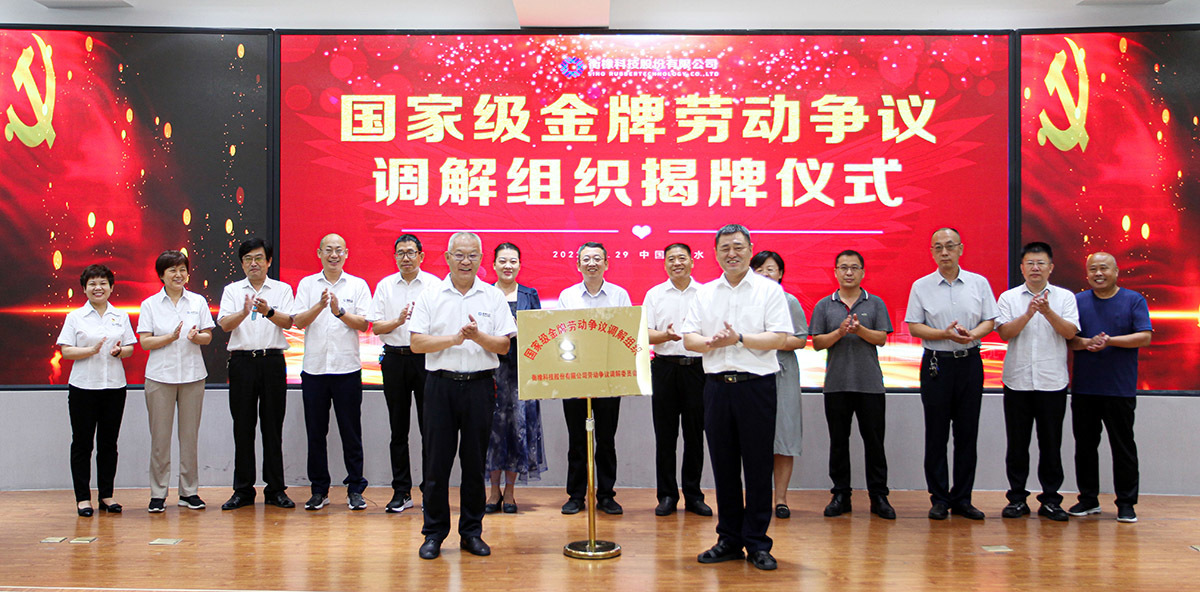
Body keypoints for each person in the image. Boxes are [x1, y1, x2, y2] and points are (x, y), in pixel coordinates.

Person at [682, 224, 792, 571]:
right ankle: (729, 539)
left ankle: (758, 542)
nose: (732, 253)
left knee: (758, 466)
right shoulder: (704, 293)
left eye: (738, 247)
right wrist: (713, 343)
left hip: (756, 387)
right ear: (715, 253)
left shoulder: (768, 290)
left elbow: (779, 337)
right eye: (725, 248)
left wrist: (739, 339)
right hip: (716, 387)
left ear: (750, 249)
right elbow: (689, 339)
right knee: (724, 466)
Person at [410, 232, 517, 560]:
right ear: (447, 257)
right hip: (440, 387)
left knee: (474, 465)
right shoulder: (430, 294)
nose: (466, 261)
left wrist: (478, 336)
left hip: (479, 387)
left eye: (472, 255)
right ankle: (434, 534)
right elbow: (416, 343)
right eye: (459, 255)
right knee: (436, 465)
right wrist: (454, 340)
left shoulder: (493, 296)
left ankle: (471, 533)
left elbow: (503, 346)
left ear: (481, 258)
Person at [905, 227, 997, 521]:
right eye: (938, 248)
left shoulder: (978, 283)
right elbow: (914, 327)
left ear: (961, 248)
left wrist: (972, 335)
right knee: (936, 434)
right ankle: (939, 498)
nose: (944, 252)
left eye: (949, 246)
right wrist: (942, 334)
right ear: (931, 252)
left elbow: (990, 320)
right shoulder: (921, 286)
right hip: (936, 364)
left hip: (970, 362)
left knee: (967, 434)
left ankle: (963, 498)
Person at [996, 242, 1079, 522]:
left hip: (1052, 382)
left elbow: (1069, 332)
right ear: (1021, 268)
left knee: (1051, 444)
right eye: (1030, 263)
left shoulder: (1065, 297)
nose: (1035, 268)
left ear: (1051, 267)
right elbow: (1005, 333)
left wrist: (1047, 311)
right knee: (1017, 445)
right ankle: (1017, 498)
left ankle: (1051, 500)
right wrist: (1029, 312)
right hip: (1017, 381)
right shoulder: (1009, 297)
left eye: (1041, 263)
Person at [1067, 252, 1152, 523]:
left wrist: (1110, 341)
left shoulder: (1133, 300)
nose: (1098, 273)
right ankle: (1088, 499)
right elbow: (1070, 339)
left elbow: (1144, 337)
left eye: (1104, 268)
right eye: (1092, 269)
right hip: (1084, 388)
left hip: (1119, 388)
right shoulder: (1077, 301)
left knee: (1123, 447)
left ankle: (1126, 503)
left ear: (1116, 271)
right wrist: (1086, 342)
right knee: (1085, 446)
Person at [810, 250, 895, 520]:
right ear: (835, 272)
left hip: (870, 385)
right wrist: (839, 332)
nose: (848, 272)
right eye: (843, 268)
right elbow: (817, 343)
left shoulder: (876, 302)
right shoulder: (825, 305)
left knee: (874, 443)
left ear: (862, 272)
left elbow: (881, 338)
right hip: (836, 385)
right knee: (838, 442)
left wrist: (859, 331)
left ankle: (879, 496)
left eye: (854, 268)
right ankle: (841, 495)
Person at [291, 234, 371, 511]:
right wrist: (319, 306)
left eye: (339, 250)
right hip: (314, 370)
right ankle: (319, 490)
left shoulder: (358, 285)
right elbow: (297, 321)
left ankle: (355, 489)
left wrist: (338, 312)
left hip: (347, 369)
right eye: (328, 250)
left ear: (346, 253)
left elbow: (363, 324)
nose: (334, 255)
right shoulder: (307, 284)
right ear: (319, 253)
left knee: (351, 432)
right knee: (316, 433)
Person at [216, 237, 296, 510]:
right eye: (248, 259)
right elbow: (225, 325)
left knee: (273, 428)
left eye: (259, 258)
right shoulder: (232, 290)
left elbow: (289, 322)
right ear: (242, 263)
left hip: (272, 361)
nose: (254, 263)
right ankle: (243, 490)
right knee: (243, 428)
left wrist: (268, 311)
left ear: (268, 261)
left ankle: (275, 490)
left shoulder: (282, 288)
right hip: (241, 363)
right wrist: (244, 311)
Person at [556, 241, 632, 516]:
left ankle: (606, 495)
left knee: (606, 438)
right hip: (574, 376)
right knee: (577, 439)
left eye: (597, 258)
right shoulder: (567, 296)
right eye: (586, 259)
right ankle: (576, 495)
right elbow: (562, 336)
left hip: (609, 376)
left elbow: (626, 334)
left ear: (606, 263)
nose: (592, 263)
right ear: (578, 265)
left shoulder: (620, 295)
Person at [137, 250, 215, 513]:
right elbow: (145, 341)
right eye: (172, 270)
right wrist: (169, 338)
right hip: (160, 376)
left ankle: (189, 491)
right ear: (162, 275)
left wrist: (196, 337)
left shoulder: (198, 301)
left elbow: (208, 336)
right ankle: (158, 493)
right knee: (160, 439)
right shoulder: (150, 305)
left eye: (182, 269)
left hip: (193, 376)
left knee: (189, 437)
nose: (178, 274)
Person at [57, 264, 136, 516]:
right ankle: (82, 498)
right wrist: (90, 351)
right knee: (82, 443)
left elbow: (131, 347)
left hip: (114, 387)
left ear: (111, 287)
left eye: (103, 283)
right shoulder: (75, 317)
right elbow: (66, 351)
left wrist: (120, 351)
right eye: (92, 284)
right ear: (84, 288)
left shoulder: (120, 316)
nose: (98, 288)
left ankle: (107, 496)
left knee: (108, 443)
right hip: (83, 387)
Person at [368, 233, 439, 513]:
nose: (406, 258)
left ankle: (429, 491)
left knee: (429, 428)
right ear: (395, 256)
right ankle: (401, 491)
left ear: (421, 256)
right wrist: (397, 321)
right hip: (395, 360)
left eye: (411, 252)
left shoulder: (434, 285)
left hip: (425, 361)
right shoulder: (385, 285)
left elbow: (441, 323)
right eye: (400, 253)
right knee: (398, 429)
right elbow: (375, 328)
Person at [644, 243, 711, 517]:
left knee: (695, 435)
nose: (676, 263)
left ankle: (694, 495)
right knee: (666, 436)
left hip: (698, 369)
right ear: (665, 264)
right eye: (671, 259)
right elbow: (645, 333)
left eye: (681, 258)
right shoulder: (655, 294)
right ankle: (667, 495)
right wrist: (665, 336)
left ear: (692, 262)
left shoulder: (706, 293)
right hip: (664, 368)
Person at [484, 242, 547, 514]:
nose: (507, 266)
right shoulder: (484, 293)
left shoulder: (529, 295)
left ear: (519, 265)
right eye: (502, 261)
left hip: (521, 374)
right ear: (494, 265)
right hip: (490, 371)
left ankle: (510, 492)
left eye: (513, 261)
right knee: (492, 432)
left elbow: (541, 335)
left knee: (518, 431)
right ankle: (493, 492)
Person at [749, 251, 808, 520]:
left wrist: (769, 341)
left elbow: (799, 340)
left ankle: (781, 499)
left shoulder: (789, 301)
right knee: (753, 438)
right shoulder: (744, 302)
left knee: (784, 435)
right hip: (751, 372)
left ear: (781, 273)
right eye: (759, 269)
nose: (764, 274)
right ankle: (754, 497)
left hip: (783, 372)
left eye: (770, 269)